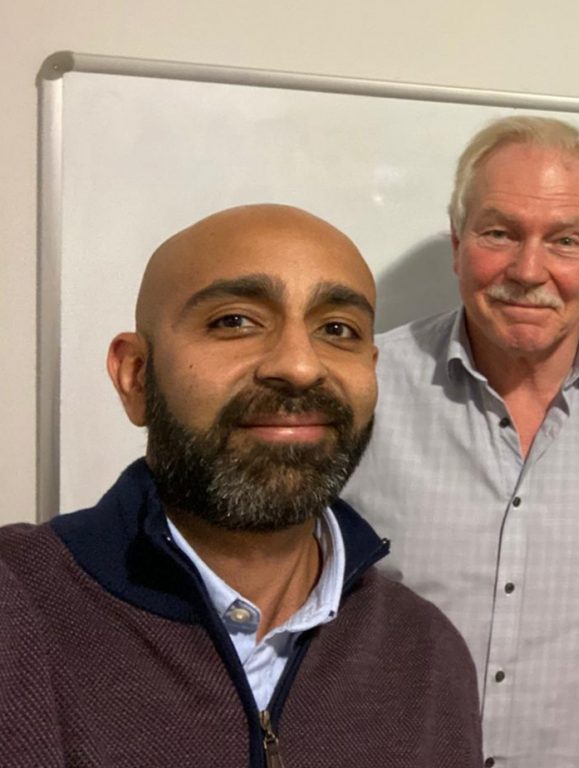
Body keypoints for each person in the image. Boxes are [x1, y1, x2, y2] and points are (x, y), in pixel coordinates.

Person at [0, 204, 481, 767]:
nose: (301, 366)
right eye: (235, 321)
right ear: (134, 375)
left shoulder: (425, 653)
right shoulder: (16, 611)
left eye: (337, 330)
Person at [343, 116, 579, 767]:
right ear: (458, 243)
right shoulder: (364, 387)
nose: (529, 269)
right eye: (499, 233)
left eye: (566, 240)